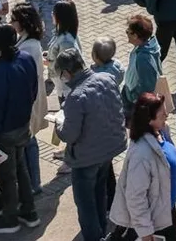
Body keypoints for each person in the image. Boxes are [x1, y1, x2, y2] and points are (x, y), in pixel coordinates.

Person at [53, 47, 127, 241]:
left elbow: (69, 135)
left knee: (86, 205)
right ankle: (102, 232)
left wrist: (58, 125)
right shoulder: (107, 78)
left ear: (66, 73)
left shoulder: (76, 97)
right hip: (109, 149)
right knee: (100, 194)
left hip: (86, 159)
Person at [0, 24, 40, 233]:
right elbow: (34, 88)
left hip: (4, 132)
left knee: (7, 177)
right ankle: (29, 210)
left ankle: (10, 218)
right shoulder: (26, 58)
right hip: (23, 125)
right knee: (21, 169)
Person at [108, 93, 176, 240]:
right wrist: (146, 233)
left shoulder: (161, 131)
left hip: (167, 210)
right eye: (162, 114)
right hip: (154, 221)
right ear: (149, 119)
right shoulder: (141, 155)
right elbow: (135, 197)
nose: (167, 115)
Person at [9, 4, 47, 195]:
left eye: (13, 20)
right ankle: (33, 182)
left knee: (28, 143)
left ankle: (34, 183)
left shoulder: (29, 46)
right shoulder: (27, 42)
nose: (11, 23)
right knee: (28, 142)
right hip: (29, 100)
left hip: (28, 102)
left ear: (23, 22)